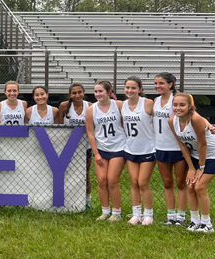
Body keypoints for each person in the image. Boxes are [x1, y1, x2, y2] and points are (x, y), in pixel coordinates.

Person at [170, 93, 215, 233]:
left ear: (190, 107)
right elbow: (182, 145)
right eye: (175, 105)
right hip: (195, 155)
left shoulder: (195, 119)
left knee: (199, 187)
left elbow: (203, 144)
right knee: (190, 186)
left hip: (213, 155)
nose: (178, 108)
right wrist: (192, 168)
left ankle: (207, 224)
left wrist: (201, 168)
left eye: (182, 105)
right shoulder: (172, 121)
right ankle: (195, 221)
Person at [85, 81, 126, 222]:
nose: (98, 94)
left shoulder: (119, 105)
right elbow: (90, 132)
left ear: (109, 92)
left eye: (100, 91)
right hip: (102, 149)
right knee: (102, 181)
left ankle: (117, 212)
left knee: (112, 180)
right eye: (96, 91)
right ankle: (105, 211)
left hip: (118, 147)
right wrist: (96, 153)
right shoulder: (91, 109)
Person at [153, 72, 188, 225]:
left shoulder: (177, 100)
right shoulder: (155, 101)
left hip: (178, 147)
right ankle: (170, 215)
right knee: (167, 182)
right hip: (160, 146)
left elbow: (192, 115)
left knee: (181, 182)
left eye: (161, 83)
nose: (158, 86)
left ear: (170, 84)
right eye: (156, 83)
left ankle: (181, 215)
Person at [121, 76, 155, 225]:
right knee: (134, 182)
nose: (130, 90)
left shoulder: (148, 103)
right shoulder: (121, 104)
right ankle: (136, 214)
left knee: (143, 182)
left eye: (133, 88)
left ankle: (148, 214)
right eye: (127, 87)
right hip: (131, 148)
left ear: (140, 89)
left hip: (148, 148)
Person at [58, 83, 92, 208]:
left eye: (79, 92)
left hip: (85, 147)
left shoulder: (90, 106)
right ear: (70, 95)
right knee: (67, 174)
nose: (77, 95)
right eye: (74, 93)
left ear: (84, 92)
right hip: (68, 147)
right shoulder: (64, 106)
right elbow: (59, 127)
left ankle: (87, 201)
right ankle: (68, 200)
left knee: (85, 174)